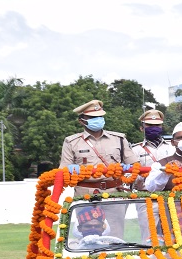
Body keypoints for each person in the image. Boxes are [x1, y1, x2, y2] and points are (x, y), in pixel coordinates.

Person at [60, 99, 139, 238]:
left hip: (114, 191)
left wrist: (128, 169)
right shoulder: (71, 142)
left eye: (100, 117)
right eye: (92, 118)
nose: (98, 120)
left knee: (115, 235)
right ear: (81, 121)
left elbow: (135, 165)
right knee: (87, 234)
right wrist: (72, 169)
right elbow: (63, 170)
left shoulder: (119, 139)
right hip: (85, 193)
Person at [130, 109, 175, 190]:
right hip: (145, 194)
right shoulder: (135, 150)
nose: (154, 128)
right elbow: (129, 175)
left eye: (157, 125)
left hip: (170, 192)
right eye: (149, 125)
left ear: (161, 127)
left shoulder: (172, 147)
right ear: (142, 128)